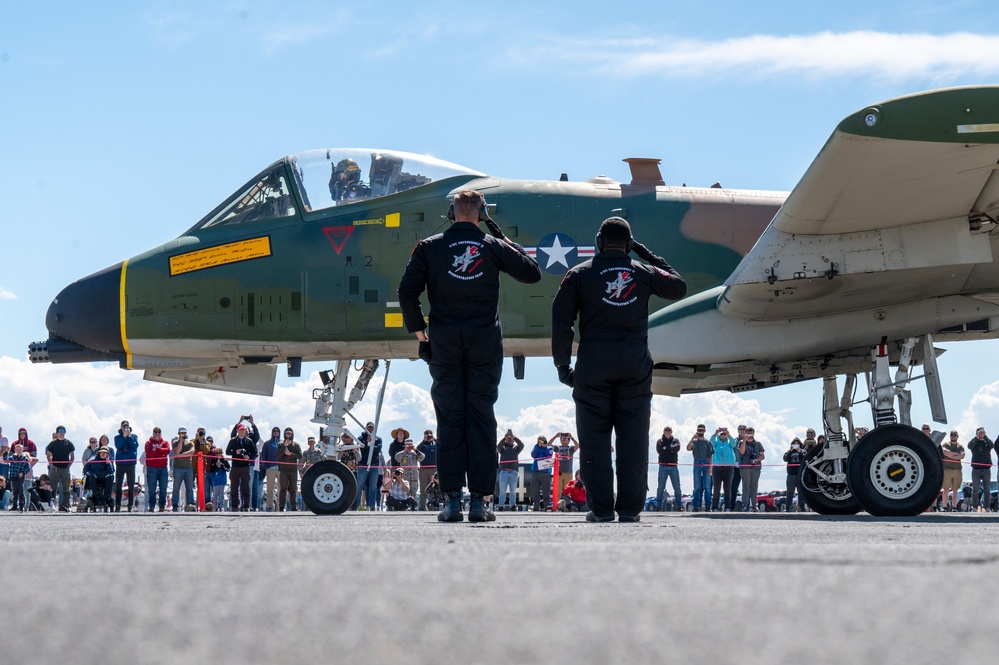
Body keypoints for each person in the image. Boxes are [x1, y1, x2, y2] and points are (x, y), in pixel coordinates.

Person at [398, 189, 542, 522]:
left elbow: (406, 291)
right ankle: (480, 502)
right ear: (482, 213)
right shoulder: (492, 247)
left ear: (451, 212)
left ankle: (451, 502)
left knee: (449, 419)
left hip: (445, 342)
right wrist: (497, 233)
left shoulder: (430, 247)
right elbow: (532, 271)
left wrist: (421, 334)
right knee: (480, 417)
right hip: (484, 343)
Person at [551, 216, 686, 523]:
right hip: (634, 366)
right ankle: (629, 509)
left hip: (592, 365)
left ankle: (600, 510)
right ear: (628, 244)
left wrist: (562, 365)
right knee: (633, 439)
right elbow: (678, 285)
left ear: (599, 242)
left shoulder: (579, 273)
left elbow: (561, 322)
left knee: (595, 441)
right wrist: (643, 253)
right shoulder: (644, 272)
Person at [226, 421, 258, 512]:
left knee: (246, 487)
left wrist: (249, 456)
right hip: (235, 466)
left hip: (245, 466)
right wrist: (235, 452)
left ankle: (246, 505)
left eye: (243, 430)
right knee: (234, 487)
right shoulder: (232, 440)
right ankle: (234, 506)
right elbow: (227, 452)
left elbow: (255, 452)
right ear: (237, 430)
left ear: (245, 431)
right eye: (240, 430)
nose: (242, 431)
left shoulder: (249, 441)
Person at [45, 425, 76, 512]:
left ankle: (65, 505)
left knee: (66, 488)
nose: (61, 433)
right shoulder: (53, 443)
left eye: (63, 431)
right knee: (52, 487)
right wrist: (52, 465)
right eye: (60, 431)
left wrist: (68, 465)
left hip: (65, 468)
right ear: (57, 433)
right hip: (55, 468)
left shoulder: (68, 443)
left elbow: (72, 456)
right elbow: (48, 455)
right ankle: (52, 505)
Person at [355, 422, 383, 510]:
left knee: (373, 487)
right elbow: (362, 449)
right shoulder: (360, 438)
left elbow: (378, 449)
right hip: (363, 465)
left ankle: (371, 506)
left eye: (372, 428)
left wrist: (370, 444)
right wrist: (368, 443)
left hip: (374, 465)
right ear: (366, 428)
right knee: (359, 486)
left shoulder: (378, 439)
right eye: (369, 428)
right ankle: (356, 506)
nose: (370, 429)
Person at [710, 427, 739, 511]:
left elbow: (734, 444)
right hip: (717, 467)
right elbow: (711, 441)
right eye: (721, 434)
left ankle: (727, 507)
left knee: (727, 488)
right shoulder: (716, 442)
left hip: (728, 467)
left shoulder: (729, 442)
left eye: (724, 434)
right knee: (716, 488)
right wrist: (715, 433)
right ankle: (715, 507)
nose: (723, 435)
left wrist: (729, 435)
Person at [113, 420, 139, 512]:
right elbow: (118, 446)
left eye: (127, 426)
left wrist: (129, 437)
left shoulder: (134, 436)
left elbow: (135, 446)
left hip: (130, 464)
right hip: (120, 464)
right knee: (118, 485)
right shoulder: (117, 437)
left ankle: (130, 505)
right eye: (124, 426)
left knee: (131, 485)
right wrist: (124, 437)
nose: (125, 428)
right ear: (121, 427)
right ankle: (118, 505)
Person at [654, 427, 682, 511]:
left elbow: (677, 448)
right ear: (663, 432)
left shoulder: (676, 440)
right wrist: (670, 449)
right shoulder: (659, 441)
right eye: (666, 431)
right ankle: (659, 506)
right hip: (663, 466)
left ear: (671, 432)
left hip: (673, 466)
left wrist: (666, 448)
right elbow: (660, 451)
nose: (667, 432)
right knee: (661, 487)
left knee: (677, 487)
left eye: (669, 431)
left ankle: (678, 506)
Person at [686, 425, 713, 512]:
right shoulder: (694, 442)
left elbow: (710, 455)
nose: (700, 432)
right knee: (697, 486)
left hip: (706, 462)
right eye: (699, 430)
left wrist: (710, 467)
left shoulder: (708, 442)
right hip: (697, 462)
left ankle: (708, 506)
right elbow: (688, 448)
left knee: (707, 486)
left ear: (704, 431)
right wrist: (692, 438)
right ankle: (696, 506)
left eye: (702, 430)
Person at [738, 427, 765, 511]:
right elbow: (741, 452)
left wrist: (756, 460)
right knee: (745, 487)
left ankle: (754, 505)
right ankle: (745, 505)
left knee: (754, 487)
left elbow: (762, 456)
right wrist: (745, 441)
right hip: (745, 468)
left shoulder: (758, 444)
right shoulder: (742, 442)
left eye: (751, 432)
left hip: (756, 468)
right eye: (748, 432)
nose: (750, 434)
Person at [496, 429, 524, 511]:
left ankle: (513, 505)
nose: (509, 440)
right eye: (508, 439)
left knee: (513, 491)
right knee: (502, 491)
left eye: (510, 439)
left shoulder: (516, 449)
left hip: (513, 472)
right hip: (504, 472)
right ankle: (501, 505)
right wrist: (504, 438)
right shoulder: (503, 449)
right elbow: (498, 447)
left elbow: (522, 445)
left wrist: (515, 438)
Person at [144, 427, 170, 512]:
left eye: (159, 432)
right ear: (153, 433)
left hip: (163, 468)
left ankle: (162, 506)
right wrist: (160, 453)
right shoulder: (148, 443)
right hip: (151, 468)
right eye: (155, 432)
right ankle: (151, 506)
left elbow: (167, 451)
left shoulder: (165, 442)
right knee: (152, 489)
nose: (157, 433)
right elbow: (149, 453)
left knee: (163, 488)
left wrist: (157, 449)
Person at [967, 427, 993, 512]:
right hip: (976, 469)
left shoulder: (987, 442)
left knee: (987, 489)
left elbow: (992, 445)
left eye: (982, 432)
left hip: (986, 469)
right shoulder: (974, 442)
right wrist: (976, 437)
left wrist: (985, 437)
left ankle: (987, 507)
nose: (981, 434)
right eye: (979, 432)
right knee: (975, 489)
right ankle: (975, 507)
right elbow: (969, 446)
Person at [277, 428, 302, 511]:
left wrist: (291, 454)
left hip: (293, 470)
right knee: (283, 489)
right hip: (283, 470)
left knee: (293, 489)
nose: (288, 435)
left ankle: (294, 507)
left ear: (292, 434)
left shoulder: (296, 445)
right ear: (284, 434)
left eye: (290, 434)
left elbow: (300, 456)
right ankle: (281, 506)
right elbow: (279, 455)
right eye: (287, 434)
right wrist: (284, 446)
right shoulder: (280, 444)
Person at [171, 427, 196, 511]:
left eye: (184, 433)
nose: (183, 434)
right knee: (176, 488)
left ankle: (190, 504)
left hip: (188, 468)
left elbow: (192, 452)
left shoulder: (190, 443)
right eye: (182, 433)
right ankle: (175, 504)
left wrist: (180, 455)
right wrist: (180, 442)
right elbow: (177, 451)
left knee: (189, 488)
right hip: (178, 468)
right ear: (178, 434)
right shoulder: (175, 442)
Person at [940, 430, 965, 511]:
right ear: (950, 436)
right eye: (952, 435)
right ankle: (944, 507)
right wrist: (956, 454)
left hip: (957, 469)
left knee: (955, 489)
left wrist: (951, 454)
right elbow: (945, 453)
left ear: (957, 436)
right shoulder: (945, 444)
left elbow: (961, 456)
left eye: (955, 435)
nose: (953, 436)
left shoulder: (960, 445)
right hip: (947, 469)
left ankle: (954, 507)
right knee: (946, 489)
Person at [84, 446, 115, 512]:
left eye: (105, 453)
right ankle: (95, 496)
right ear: (99, 453)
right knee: (91, 476)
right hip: (94, 479)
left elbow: (111, 472)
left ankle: (106, 497)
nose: (103, 454)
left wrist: (108, 464)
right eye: (102, 452)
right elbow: (85, 470)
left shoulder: (109, 462)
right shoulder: (92, 460)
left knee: (111, 476)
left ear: (107, 454)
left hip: (104, 479)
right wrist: (91, 473)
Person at [259, 426, 282, 511]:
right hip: (270, 468)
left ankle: (281, 507)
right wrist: (266, 466)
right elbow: (263, 456)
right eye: (274, 431)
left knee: (281, 489)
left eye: (277, 431)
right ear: (272, 432)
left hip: (280, 469)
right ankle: (269, 506)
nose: (276, 432)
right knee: (270, 489)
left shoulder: (282, 443)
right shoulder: (267, 443)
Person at [12, 428, 36, 508]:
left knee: (27, 490)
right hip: (16, 472)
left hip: (27, 471)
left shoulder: (31, 443)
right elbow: (10, 457)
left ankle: (27, 507)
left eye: (24, 433)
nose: (22, 435)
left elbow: (34, 457)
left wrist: (26, 456)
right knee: (16, 490)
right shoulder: (14, 443)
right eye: (21, 433)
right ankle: (16, 506)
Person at [551, 431, 578, 497]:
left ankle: (567, 505)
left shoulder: (571, 448)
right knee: (557, 490)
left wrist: (572, 438)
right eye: (562, 438)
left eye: (566, 438)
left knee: (568, 491)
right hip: (558, 472)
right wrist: (555, 436)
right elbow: (549, 444)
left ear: (568, 441)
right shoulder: (557, 448)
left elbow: (578, 446)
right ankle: (556, 505)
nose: (564, 439)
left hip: (568, 472)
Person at [416, 429, 438, 511]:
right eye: (427, 434)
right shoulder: (422, 445)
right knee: (423, 489)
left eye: (430, 433)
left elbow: (441, 446)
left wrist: (434, 439)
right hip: (423, 469)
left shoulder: (435, 444)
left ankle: (432, 505)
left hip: (433, 469)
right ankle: (422, 506)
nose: (429, 435)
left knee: (433, 488)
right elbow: (416, 451)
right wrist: (423, 441)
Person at [783, 438, 806, 512]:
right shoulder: (789, 452)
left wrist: (799, 452)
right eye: (794, 444)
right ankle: (787, 507)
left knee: (801, 492)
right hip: (791, 474)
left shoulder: (803, 451)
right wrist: (790, 451)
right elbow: (785, 459)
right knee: (790, 492)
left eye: (797, 444)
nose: (795, 445)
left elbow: (805, 459)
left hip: (800, 475)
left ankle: (802, 507)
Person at [7, 442, 30, 511]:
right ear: (15, 450)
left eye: (20, 449)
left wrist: (23, 472)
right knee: (14, 492)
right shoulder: (12, 457)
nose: (18, 451)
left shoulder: (25, 459)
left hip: (20, 477)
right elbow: (5, 460)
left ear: (22, 450)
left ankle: (21, 506)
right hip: (13, 476)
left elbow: (28, 468)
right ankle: (14, 506)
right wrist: (6, 452)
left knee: (21, 491)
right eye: (17, 449)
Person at [208, 446, 230, 511]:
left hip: (222, 480)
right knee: (215, 495)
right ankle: (215, 507)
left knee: (221, 494)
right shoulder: (213, 460)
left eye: (220, 453)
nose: (218, 454)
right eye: (217, 453)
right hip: (215, 480)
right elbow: (210, 470)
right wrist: (215, 465)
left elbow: (228, 469)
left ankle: (221, 507)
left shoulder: (224, 460)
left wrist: (222, 465)